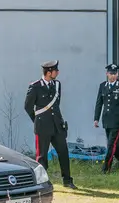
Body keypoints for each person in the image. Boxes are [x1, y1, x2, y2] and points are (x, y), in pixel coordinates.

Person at [24, 60, 76, 189]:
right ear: (48, 72)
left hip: (57, 126)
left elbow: (56, 105)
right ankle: (43, 182)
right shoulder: (35, 86)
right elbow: (28, 106)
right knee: (42, 157)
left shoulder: (57, 85)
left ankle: (67, 180)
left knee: (63, 153)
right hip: (43, 126)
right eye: (55, 71)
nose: (57, 72)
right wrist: (37, 120)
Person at [93, 63, 119, 173]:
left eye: (115, 74)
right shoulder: (103, 86)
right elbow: (99, 103)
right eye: (111, 74)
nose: (113, 76)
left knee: (111, 144)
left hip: (117, 121)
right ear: (107, 74)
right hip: (106, 120)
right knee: (115, 145)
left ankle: (106, 168)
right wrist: (96, 118)